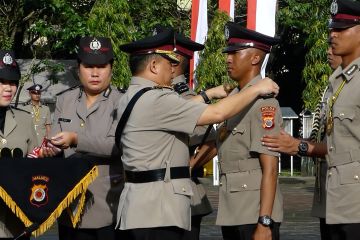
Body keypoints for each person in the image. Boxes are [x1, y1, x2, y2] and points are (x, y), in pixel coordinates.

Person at [116, 28, 279, 240]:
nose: (173, 71)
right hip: (157, 212)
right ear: (154, 66)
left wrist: (208, 94)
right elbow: (217, 112)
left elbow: (172, 110)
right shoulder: (158, 99)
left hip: (136, 208)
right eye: (169, 64)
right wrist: (257, 88)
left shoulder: (130, 97)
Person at [264, 0, 360, 239]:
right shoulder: (338, 82)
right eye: (332, 29)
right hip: (337, 197)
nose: (332, 35)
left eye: (341, 29)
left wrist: (300, 147)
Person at [42, 36, 124, 240]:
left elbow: (117, 146)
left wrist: (76, 139)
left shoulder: (121, 102)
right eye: (88, 66)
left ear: (111, 69)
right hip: (69, 202)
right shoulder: (65, 99)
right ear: (79, 68)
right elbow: (56, 140)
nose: (95, 73)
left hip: (107, 204)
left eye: (102, 66)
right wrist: (51, 148)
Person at [261, 45, 342, 240]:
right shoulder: (331, 87)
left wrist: (299, 147)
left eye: (334, 47)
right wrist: (294, 142)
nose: (328, 51)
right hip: (328, 192)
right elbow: (325, 135)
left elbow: (346, 145)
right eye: (328, 46)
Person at [215, 22, 283, 240]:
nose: (228, 59)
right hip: (232, 209)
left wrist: (265, 222)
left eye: (235, 53)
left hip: (254, 212)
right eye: (228, 53)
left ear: (255, 58)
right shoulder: (235, 99)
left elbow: (271, 167)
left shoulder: (264, 104)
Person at [169, 29, 226, 240]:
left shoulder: (186, 98)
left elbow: (212, 140)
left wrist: (190, 166)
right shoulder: (157, 94)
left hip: (185, 195)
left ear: (175, 63)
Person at [0, 50, 38, 239]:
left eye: (12, 82)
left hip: (17, 222)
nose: (8, 88)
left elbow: (35, 167)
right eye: (2, 82)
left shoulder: (24, 120)